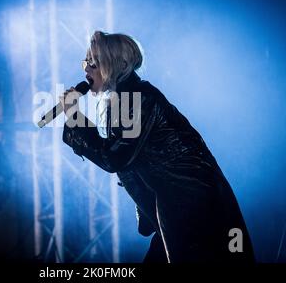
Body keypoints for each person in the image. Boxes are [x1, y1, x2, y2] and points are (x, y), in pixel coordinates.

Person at [60, 31, 255, 263]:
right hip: (180, 203)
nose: (86, 69)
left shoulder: (135, 98)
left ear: (115, 64)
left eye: (93, 62)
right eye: (86, 62)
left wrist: (74, 116)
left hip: (192, 205)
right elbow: (122, 159)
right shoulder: (126, 97)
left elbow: (113, 158)